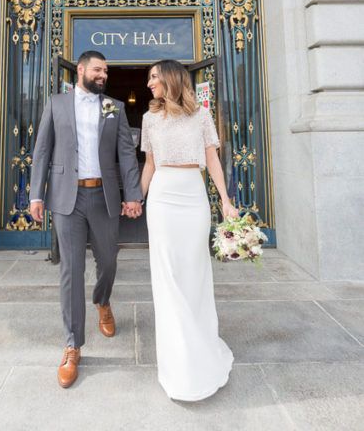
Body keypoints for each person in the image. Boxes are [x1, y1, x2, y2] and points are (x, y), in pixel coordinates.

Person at [29, 50, 143, 388]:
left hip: (103, 196)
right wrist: (37, 194)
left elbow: (126, 153)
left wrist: (133, 194)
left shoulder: (115, 107)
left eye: (106, 71)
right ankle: (72, 344)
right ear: (81, 70)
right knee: (71, 269)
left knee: (108, 260)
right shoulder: (57, 104)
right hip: (67, 197)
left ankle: (103, 301)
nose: (103, 75)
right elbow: (42, 150)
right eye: (97, 70)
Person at [140, 59, 239, 401]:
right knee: (168, 279)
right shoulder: (149, 118)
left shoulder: (201, 116)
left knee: (194, 275)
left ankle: (201, 351)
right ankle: (178, 365)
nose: (149, 82)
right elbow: (150, 164)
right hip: (163, 198)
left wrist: (224, 200)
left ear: (170, 79)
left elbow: (212, 159)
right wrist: (136, 199)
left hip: (193, 197)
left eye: (154, 76)